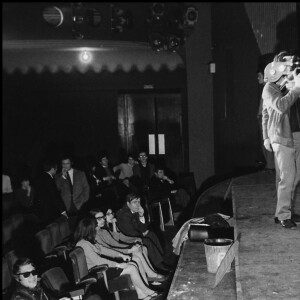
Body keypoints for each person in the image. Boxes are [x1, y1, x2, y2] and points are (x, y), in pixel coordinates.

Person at [73, 217, 161, 300]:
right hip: (97, 272)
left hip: (101, 269)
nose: (96, 229)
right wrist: (118, 264)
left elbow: (104, 250)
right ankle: (146, 292)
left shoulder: (88, 241)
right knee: (131, 267)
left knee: (133, 264)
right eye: (94, 227)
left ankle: (142, 294)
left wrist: (121, 255)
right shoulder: (84, 244)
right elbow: (97, 261)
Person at [262, 51, 300, 229]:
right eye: (286, 63)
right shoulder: (270, 87)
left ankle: (284, 211)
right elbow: (278, 107)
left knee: (295, 176)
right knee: (287, 177)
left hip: (297, 135)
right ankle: (284, 214)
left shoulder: (292, 83)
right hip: (282, 136)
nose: (290, 66)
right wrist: (266, 137)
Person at [89, 208, 166, 284]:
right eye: (99, 218)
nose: (103, 220)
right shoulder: (94, 235)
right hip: (111, 258)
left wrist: (132, 243)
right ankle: (151, 275)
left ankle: (151, 274)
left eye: (103, 217)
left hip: (117, 252)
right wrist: (129, 249)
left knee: (143, 248)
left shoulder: (103, 231)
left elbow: (116, 243)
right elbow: (112, 247)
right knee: (138, 251)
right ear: (91, 220)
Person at [116, 193, 169, 273]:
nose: (138, 204)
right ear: (128, 203)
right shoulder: (124, 215)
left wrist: (141, 215)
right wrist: (142, 234)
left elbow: (143, 228)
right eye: (134, 202)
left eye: (139, 202)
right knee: (146, 240)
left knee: (151, 234)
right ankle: (158, 265)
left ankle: (160, 261)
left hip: (134, 236)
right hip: (126, 240)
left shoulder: (135, 210)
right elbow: (131, 233)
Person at [55, 156, 90, 229]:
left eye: (67, 163)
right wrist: (63, 177)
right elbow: (57, 188)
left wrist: (84, 199)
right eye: (63, 164)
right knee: (71, 227)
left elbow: (86, 188)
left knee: (82, 226)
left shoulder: (80, 173)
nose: (65, 166)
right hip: (67, 206)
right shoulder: (58, 176)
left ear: (71, 163)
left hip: (80, 204)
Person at [35, 160, 68, 225]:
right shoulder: (49, 179)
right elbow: (55, 196)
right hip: (48, 210)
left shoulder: (41, 177)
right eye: (56, 168)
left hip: (41, 209)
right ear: (52, 169)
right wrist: (63, 211)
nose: (56, 170)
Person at [256, 69, 275, 171]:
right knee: (265, 143)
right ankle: (270, 164)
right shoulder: (266, 87)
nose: (257, 78)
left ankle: (271, 165)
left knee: (268, 143)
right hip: (263, 118)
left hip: (266, 119)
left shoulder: (269, 87)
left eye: (259, 75)